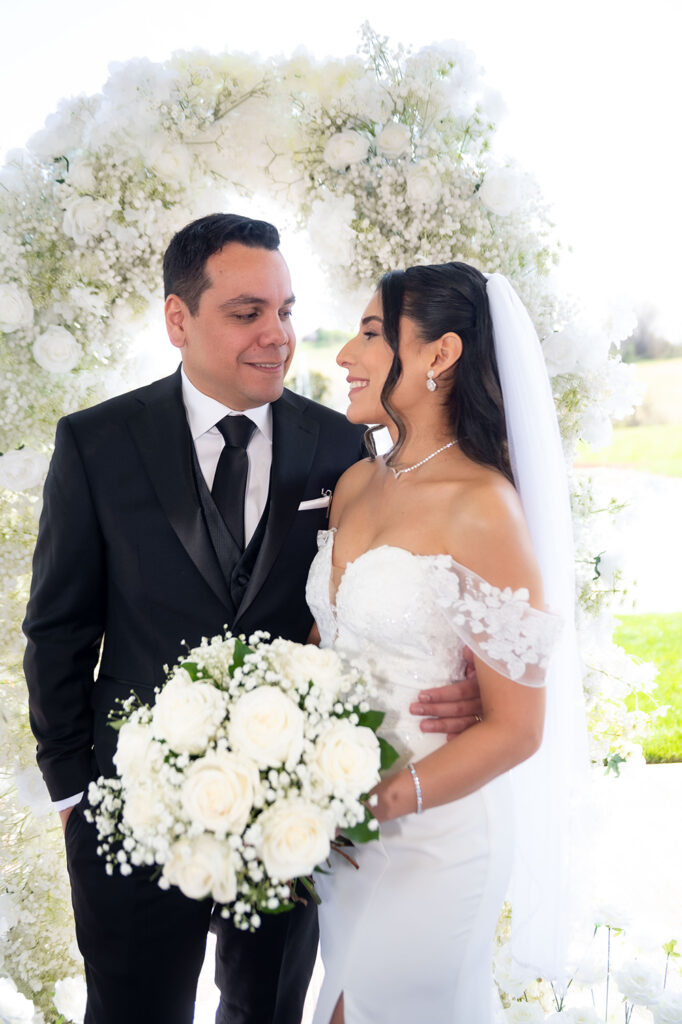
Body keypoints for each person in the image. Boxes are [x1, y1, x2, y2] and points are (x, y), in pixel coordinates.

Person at [23, 214, 481, 1024]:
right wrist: (74, 794)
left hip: (295, 813)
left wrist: (469, 672)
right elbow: (58, 630)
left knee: (266, 1009)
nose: (279, 336)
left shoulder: (342, 445)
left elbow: (407, 573)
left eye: (287, 310)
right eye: (247, 313)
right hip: (132, 802)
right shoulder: (96, 444)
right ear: (178, 320)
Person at [305, 261, 583, 1023]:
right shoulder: (357, 484)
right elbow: (329, 641)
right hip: (345, 844)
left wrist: (382, 798)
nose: (345, 356)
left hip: (434, 836)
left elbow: (519, 726)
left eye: (370, 333)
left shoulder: (483, 506)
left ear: (440, 355)